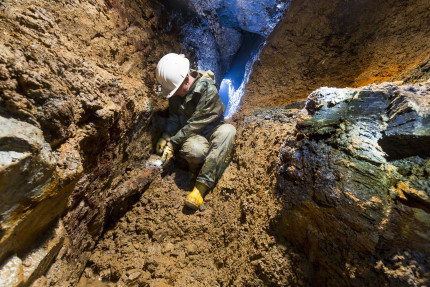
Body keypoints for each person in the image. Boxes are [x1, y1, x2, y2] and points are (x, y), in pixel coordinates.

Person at [155, 53, 236, 210]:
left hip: (213, 128)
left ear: (186, 80)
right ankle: (194, 169)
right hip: (193, 134)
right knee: (195, 151)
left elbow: (195, 124)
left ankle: (201, 187)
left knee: (228, 132)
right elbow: (175, 118)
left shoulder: (207, 90)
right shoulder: (176, 87)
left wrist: (172, 143)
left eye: (176, 90)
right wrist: (165, 135)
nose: (175, 94)